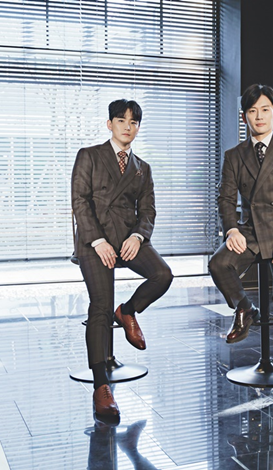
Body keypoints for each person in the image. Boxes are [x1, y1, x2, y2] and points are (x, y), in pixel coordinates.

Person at [208, 84, 273, 407]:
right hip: (250, 231)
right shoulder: (234, 155)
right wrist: (231, 230)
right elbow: (225, 198)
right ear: (244, 117)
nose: (259, 116)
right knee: (218, 263)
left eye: (265, 110)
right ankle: (245, 308)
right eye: (252, 111)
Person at [72, 99, 174, 422]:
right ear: (109, 124)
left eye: (133, 122)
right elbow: (79, 201)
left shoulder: (143, 168)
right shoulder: (89, 155)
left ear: (138, 128)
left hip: (128, 238)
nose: (127, 127)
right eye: (121, 120)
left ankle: (127, 311)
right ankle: (101, 386)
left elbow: (148, 211)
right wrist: (98, 240)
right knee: (100, 307)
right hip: (94, 241)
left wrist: (138, 236)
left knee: (163, 274)